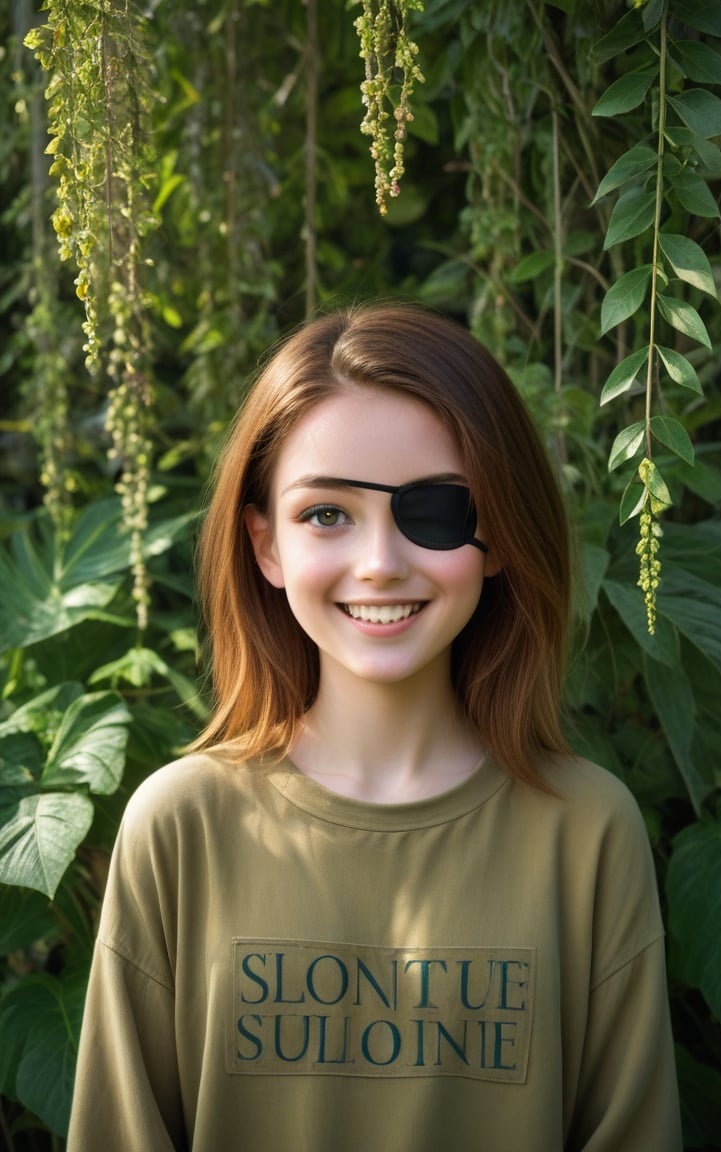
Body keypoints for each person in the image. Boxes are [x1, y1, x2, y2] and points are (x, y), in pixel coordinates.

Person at [68, 303, 682, 1151]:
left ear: (497, 533)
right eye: (327, 514)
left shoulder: (587, 833)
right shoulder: (179, 828)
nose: (381, 562)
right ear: (265, 545)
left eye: (433, 512)